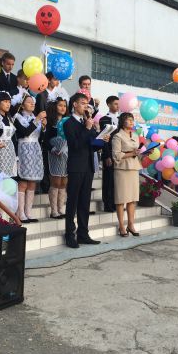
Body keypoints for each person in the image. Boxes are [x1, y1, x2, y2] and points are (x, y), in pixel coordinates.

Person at [63, 93, 109, 248]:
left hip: (88, 166)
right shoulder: (69, 123)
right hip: (76, 167)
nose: (85, 106)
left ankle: (83, 234)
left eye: (87, 104)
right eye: (82, 103)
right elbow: (75, 145)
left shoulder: (87, 121)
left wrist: (102, 139)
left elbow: (93, 146)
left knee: (84, 202)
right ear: (74, 104)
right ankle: (70, 235)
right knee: (73, 202)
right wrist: (87, 128)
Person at [13, 94, 46, 223]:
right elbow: (25, 132)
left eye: (33, 102)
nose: (32, 104)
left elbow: (41, 137)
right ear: (22, 105)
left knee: (32, 182)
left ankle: (28, 212)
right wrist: (37, 120)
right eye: (29, 102)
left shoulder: (34, 117)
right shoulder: (17, 117)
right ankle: (20, 212)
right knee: (23, 182)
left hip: (35, 149)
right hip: (23, 149)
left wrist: (43, 128)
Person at [112, 112, 142, 237]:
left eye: (132, 120)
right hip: (122, 169)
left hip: (134, 168)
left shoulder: (135, 135)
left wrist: (144, 153)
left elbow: (137, 153)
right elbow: (116, 155)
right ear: (122, 121)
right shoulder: (117, 136)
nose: (131, 122)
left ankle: (131, 224)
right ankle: (121, 225)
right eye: (129, 119)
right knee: (121, 199)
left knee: (132, 199)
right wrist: (132, 153)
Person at [44, 98, 69, 219]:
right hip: (54, 154)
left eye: (64, 105)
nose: (63, 108)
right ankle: (54, 211)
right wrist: (53, 149)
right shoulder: (50, 122)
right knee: (56, 181)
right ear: (55, 107)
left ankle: (61, 208)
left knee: (64, 182)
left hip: (66, 154)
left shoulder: (68, 122)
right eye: (60, 105)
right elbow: (45, 140)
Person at [99, 95, 120, 213]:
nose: (117, 106)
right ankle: (108, 204)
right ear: (109, 104)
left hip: (119, 154)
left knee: (117, 181)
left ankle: (116, 203)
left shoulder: (121, 119)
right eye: (115, 104)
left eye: (118, 104)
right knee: (108, 180)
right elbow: (104, 138)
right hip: (109, 153)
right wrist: (107, 155)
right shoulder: (104, 119)